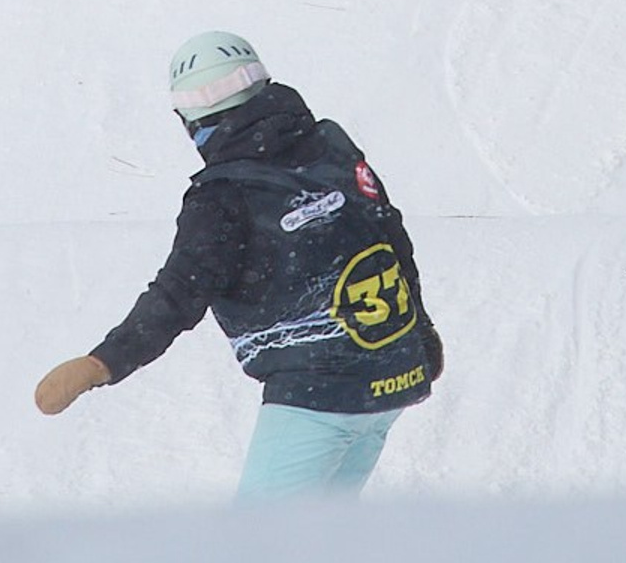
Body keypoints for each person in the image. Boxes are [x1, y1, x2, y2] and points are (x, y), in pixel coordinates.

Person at [34, 30, 442, 500]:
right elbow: (388, 236)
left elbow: (178, 294)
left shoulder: (223, 196)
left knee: (255, 549)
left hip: (318, 394)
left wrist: (102, 362)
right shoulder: (332, 148)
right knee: (316, 542)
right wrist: (421, 335)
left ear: (190, 117)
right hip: (394, 376)